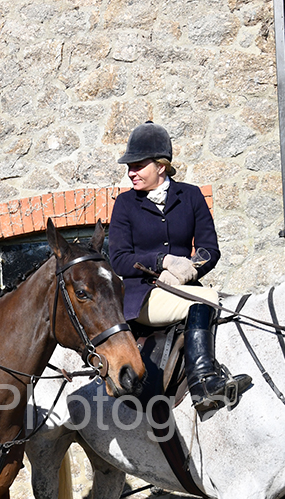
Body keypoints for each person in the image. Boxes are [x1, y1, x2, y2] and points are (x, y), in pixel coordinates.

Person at [108, 121, 250, 413]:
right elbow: (119, 259)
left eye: (137, 165)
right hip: (142, 297)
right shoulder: (125, 204)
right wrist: (162, 263)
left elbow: (210, 249)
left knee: (230, 307)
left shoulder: (192, 196)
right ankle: (203, 385)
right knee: (208, 299)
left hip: (184, 290)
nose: (130, 172)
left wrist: (191, 269)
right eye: (129, 166)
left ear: (161, 166)